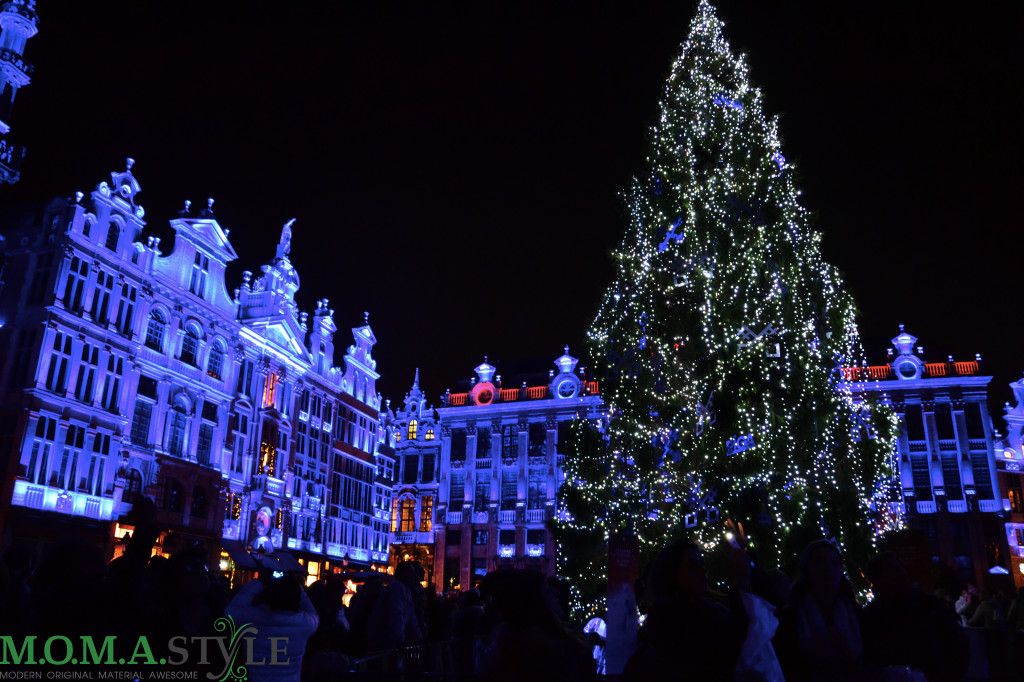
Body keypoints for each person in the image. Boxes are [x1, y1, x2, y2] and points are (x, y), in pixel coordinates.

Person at [624, 538, 750, 682]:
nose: (702, 571)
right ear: (670, 575)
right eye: (691, 566)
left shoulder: (712, 613)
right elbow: (733, 646)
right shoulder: (679, 632)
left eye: (702, 564)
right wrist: (743, 580)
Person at [860, 552, 968, 682]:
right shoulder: (870, 616)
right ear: (878, 579)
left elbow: (957, 642)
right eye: (891, 570)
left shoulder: (928, 605)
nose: (899, 573)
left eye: (897, 568)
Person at [774, 540, 863, 682]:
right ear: (807, 570)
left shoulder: (859, 616)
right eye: (819, 563)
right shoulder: (787, 619)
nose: (828, 568)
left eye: (834, 563)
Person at [225, 572, 319, 682]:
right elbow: (312, 612)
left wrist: (258, 581)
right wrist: (295, 584)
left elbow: (231, 610)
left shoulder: (251, 618)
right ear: (296, 597)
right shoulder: (304, 623)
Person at [366, 561, 423, 653]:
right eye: (411, 573)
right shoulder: (397, 588)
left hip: (387, 641)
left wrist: (418, 637)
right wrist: (402, 640)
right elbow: (397, 617)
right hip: (384, 642)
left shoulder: (404, 589)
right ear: (404, 574)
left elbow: (411, 619)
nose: (413, 576)